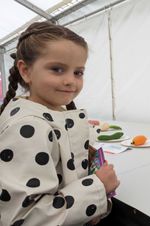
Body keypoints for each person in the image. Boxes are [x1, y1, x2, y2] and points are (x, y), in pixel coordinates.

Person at [0, 21, 120, 226]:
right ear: (25, 71)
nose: (70, 81)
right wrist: (97, 187)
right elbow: (25, 219)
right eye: (57, 69)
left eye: (78, 72)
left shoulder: (51, 112)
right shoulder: (28, 127)